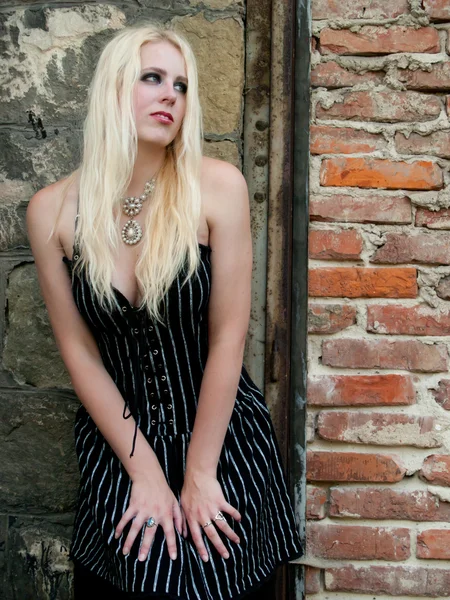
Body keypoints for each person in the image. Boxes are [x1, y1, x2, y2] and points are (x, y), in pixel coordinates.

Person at [26, 22, 303, 600]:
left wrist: (199, 473)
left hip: (219, 438)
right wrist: (146, 473)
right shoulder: (51, 212)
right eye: (152, 78)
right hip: (120, 446)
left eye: (180, 85)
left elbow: (229, 336)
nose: (169, 95)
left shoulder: (215, 188)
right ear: (113, 89)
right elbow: (79, 351)